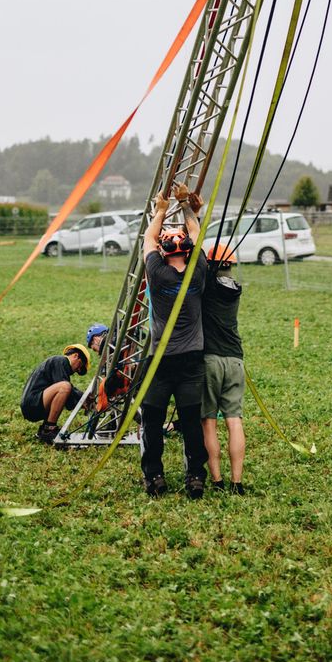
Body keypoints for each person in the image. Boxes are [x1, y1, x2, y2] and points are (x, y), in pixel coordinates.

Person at [140, 183, 208, 499]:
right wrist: (184, 205)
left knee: (152, 420)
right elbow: (196, 232)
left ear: (165, 252)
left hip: (161, 360)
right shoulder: (198, 271)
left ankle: (154, 477)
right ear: (186, 251)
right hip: (193, 358)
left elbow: (148, 239)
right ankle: (195, 477)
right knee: (191, 421)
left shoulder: (156, 274)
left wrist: (161, 211)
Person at [201, 243, 246, 495]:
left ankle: (217, 481)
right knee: (234, 421)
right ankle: (237, 483)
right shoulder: (235, 289)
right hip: (235, 360)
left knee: (208, 422)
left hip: (211, 360)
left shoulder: (207, 287)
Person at [20, 343, 91, 443]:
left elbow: (68, 400)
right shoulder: (60, 360)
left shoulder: (60, 366)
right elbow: (67, 389)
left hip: (35, 403)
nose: (78, 370)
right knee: (65, 386)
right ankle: (49, 429)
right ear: (75, 356)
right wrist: (84, 397)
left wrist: (82, 401)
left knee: (66, 387)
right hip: (32, 403)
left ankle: (45, 428)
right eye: (81, 365)